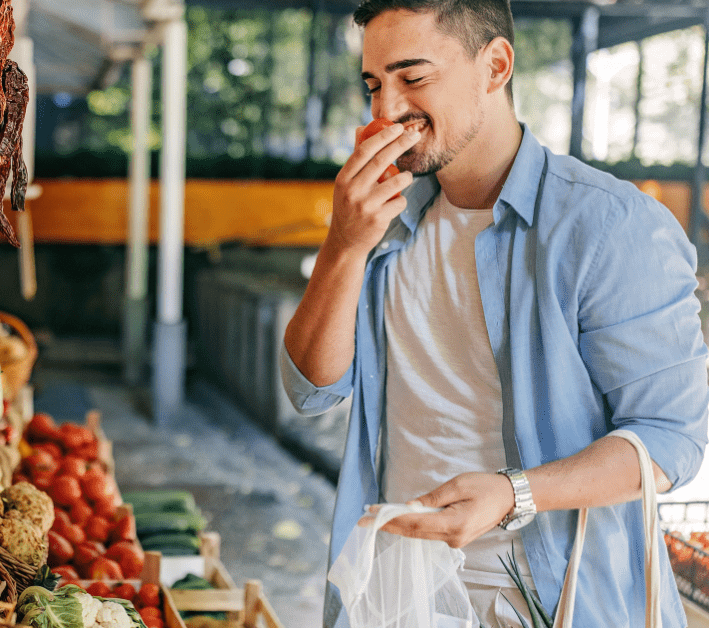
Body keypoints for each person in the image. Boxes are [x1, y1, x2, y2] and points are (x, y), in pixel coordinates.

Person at [280, 0, 709, 626]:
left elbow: (672, 441)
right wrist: (344, 243)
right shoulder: (387, 221)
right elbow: (310, 389)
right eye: (374, 85)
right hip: (395, 594)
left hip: (553, 600)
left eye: (413, 77)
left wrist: (515, 493)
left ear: (496, 66)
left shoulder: (611, 227)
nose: (386, 111)